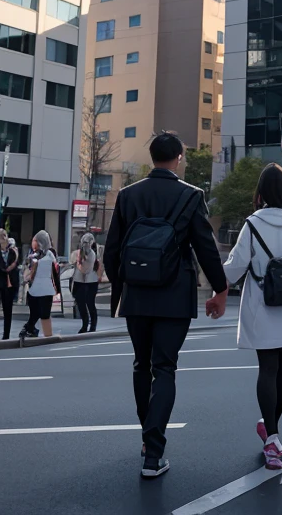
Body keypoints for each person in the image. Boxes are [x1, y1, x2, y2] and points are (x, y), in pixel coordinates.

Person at [103, 131, 230, 478]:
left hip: (137, 296)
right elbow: (205, 246)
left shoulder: (128, 196)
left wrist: (123, 286)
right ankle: (153, 452)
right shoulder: (191, 196)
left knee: (141, 365)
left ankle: (148, 443)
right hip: (175, 296)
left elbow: (112, 249)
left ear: (152, 157)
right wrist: (220, 289)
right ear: (178, 158)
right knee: (165, 368)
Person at [222, 163, 282, 470]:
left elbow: (235, 268)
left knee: (268, 368)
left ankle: (271, 436)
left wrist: (215, 285)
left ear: (260, 192)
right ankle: (272, 428)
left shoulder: (252, 224)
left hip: (263, 303)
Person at [20, 231, 58, 339]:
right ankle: (33, 330)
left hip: (40, 288)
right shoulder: (37, 255)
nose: (33, 243)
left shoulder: (44, 255)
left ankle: (33, 330)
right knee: (38, 313)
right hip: (39, 287)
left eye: (35, 240)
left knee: (40, 313)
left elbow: (53, 270)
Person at [72, 233, 100, 334]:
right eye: (84, 242)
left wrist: (79, 262)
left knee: (90, 303)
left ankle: (92, 325)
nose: (85, 245)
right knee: (81, 304)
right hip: (79, 281)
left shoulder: (92, 254)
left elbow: (85, 269)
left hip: (90, 281)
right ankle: (85, 325)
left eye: (87, 243)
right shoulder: (78, 253)